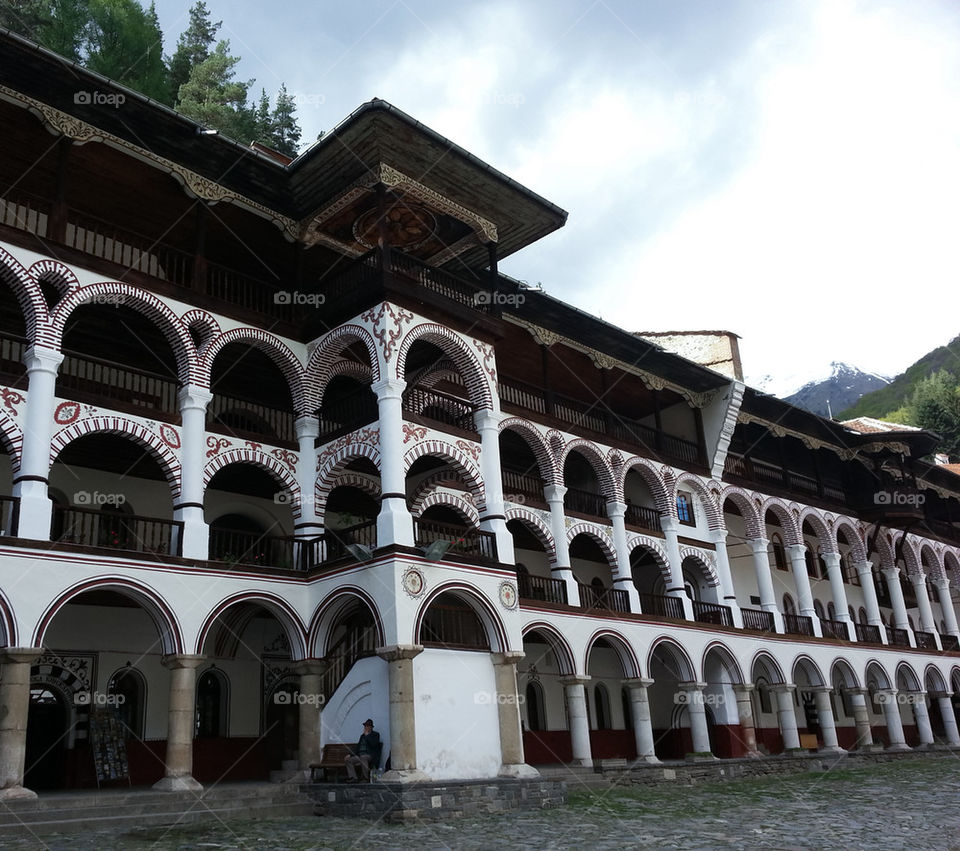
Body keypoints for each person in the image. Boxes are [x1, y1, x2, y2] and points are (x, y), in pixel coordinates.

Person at [344, 718, 381, 782]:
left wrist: (367, 736)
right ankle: (353, 777)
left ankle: (365, 778)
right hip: (360, 755)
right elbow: (358, 747)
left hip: (369, 755)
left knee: (363, 757)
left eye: (367, 726)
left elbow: (373, 744)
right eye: (365, 726)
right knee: (348, 760)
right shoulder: (362, 736)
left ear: (371, 727)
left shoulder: (375, 735)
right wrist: (350, 755)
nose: (366, 727)